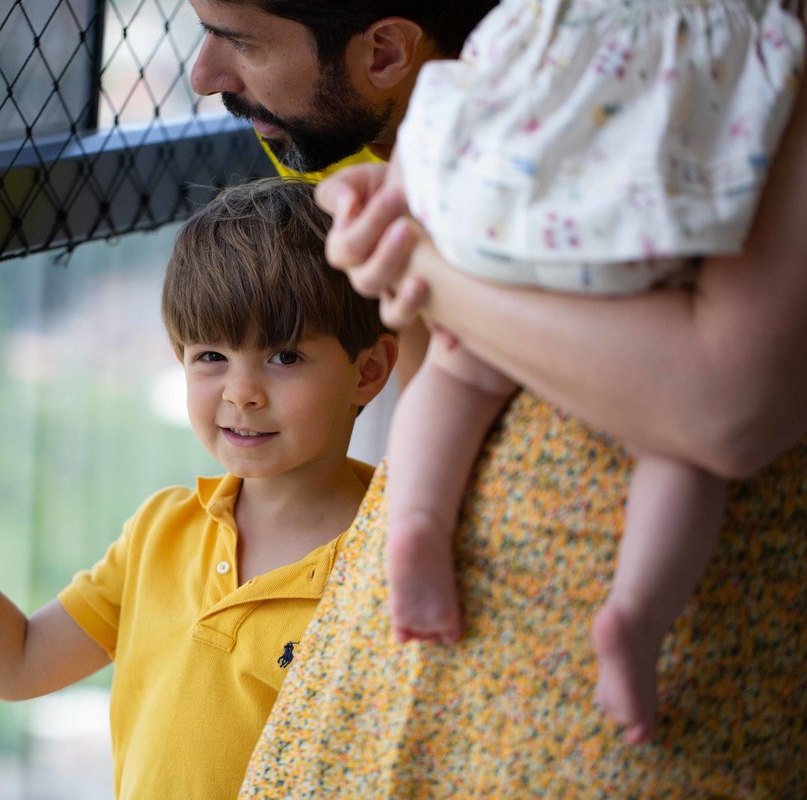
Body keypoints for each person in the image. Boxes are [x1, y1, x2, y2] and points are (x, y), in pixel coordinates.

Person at [186, 0, 807, 795]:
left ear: (387, 50)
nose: (204, 74)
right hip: (427, 666)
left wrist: (419, 265)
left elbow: (723, 411)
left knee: (473, 383)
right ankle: (631, 610)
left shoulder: (531, 34)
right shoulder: (722, 43)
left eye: (237, 41)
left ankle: (443, 534)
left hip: (571, 697)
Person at [0, 177, 398, 800]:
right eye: (211, 356)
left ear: (368, 371)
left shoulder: (392, 566)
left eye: (284, 357)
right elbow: (17, 660)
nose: (241, 392)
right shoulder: (162, 531)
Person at [375, 0, 803, 745]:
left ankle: (415, 520)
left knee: (454, 368)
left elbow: (460, 84)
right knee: (671, 446)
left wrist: (410, 201)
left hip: (499, 207)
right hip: (630, 226)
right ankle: (635, 614)